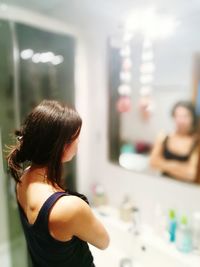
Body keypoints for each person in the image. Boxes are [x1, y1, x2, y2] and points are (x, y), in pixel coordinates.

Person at [6, 100, 109, 267]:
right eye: (77, 137)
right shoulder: (69, 208)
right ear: (63, 146)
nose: (79, 142)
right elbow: (104, 242)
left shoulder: (23, 180)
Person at [150, 100, 199, 182]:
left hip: (185, 188)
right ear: (173, 117)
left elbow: (191, 174)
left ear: (192, 119)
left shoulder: (196, 142)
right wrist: (180, 167)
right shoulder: (164, 137)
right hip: (163, 183)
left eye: (185, 116)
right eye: (178, 116)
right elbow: (153, 162)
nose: (181, 121)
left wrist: (164, 164)